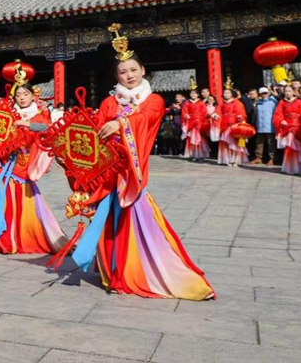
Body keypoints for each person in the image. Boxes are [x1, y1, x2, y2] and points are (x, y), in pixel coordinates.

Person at [70, 26, 215, 300]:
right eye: (123, 72)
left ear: (143, 71)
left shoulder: (154, 100)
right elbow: (94, 131)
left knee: (135, 225)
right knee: (109, 223)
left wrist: (120, 124)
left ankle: (142, 271)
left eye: (133, 70)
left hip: (131, 176)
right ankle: (111, 272)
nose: (129, 76)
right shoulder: (108, 103)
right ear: (116, 76)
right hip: (108, 175)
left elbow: (146, 120)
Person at [0, 73, 68, 255]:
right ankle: (4, 239)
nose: (21, 97)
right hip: (4, 163)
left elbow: (50, 130)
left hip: (24, 164)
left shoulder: (39, 115)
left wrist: (28, 125)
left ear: (33, 96)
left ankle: (21, 237)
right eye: (18, 95)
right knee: (2, 200)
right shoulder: (6, 114)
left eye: (25, 94)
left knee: (23, 201)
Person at [273, 85, 301, 175]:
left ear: (293, 92)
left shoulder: (299, 102)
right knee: (289, 148)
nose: (287, 93)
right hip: (287, 126)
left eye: (289, 91)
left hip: (298, 127)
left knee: (300, 148)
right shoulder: (282, 102)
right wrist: (281, 120)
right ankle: (290, 168)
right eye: (286, 91)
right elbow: (277, 114)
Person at [217, 86, 248, 166]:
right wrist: (215, 115)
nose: (226, 94)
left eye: (228, 93)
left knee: (235, 143)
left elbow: (242, 113)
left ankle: (235, 160)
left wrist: (240, 117)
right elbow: (218, 112)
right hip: (224, 125)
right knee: (225, 143)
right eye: (224, 93)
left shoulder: (237, 103)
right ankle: (227, 159)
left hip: (234, 125)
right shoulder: (221, 103)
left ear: (232, 94)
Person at [252, 87, 278, 165]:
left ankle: (272, 158)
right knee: (259, 143)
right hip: (260, 125)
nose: (264, 95)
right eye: (262, 93)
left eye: (265, 93)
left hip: (270, 126)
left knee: (271, 143)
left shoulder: (273, 101)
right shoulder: (258, 102)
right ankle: (258, 157)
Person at [181, 88, 209, 161]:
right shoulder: (187, 103)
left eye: (194, 93)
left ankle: (200, 155)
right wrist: (186, 115)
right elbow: (184, 111)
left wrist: (199, 118)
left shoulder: (201, 103)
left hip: (199, 122)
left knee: (199, 139)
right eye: (191, 93)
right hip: (190, 121)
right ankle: (193, 154)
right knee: (192, 138)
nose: (193, 95)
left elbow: (204, 112)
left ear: (198, 94)